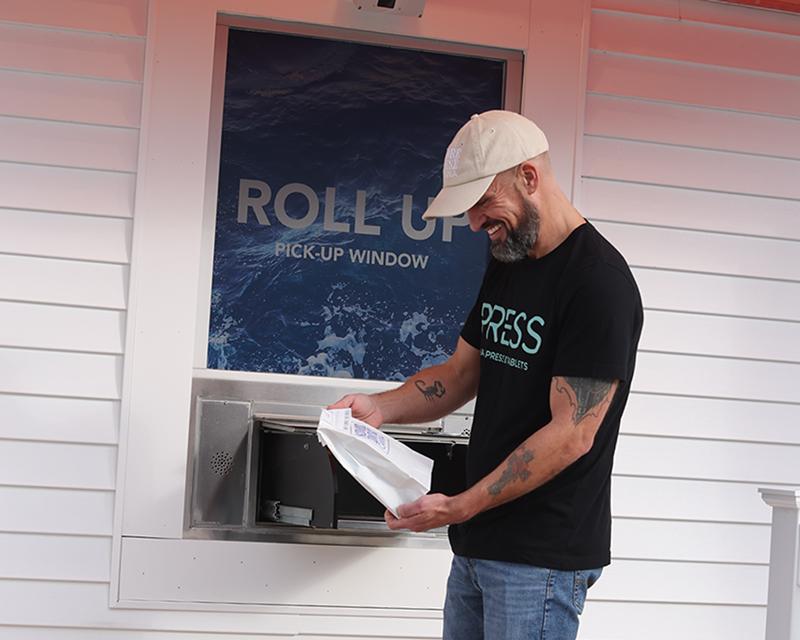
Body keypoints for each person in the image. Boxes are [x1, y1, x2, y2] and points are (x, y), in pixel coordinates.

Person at [329, 110, 643, 640]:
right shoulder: (509, 258)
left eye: (482, 203)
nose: (474, 223)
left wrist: (458, 506)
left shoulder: (598, 284)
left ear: (529, 176)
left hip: (540, 558)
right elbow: (460, 372)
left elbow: (572, 434)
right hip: (478, 544)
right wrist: (380, 407)